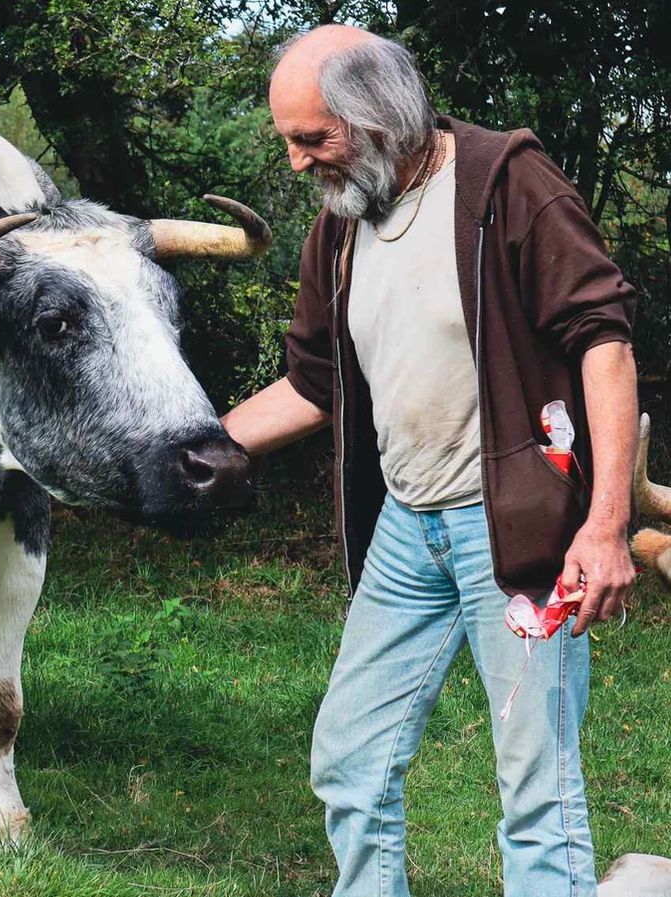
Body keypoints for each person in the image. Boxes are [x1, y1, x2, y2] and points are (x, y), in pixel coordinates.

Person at [223, 25, 638, 897]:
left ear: (377, 118)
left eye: (312, 139)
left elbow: (602, 340)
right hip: (407, 534)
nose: (298, 165)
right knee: (349, 757)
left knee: (538, 787)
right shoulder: (340, 231)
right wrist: (189, 445)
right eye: (289, 142)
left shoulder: (504, 182)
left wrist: (604, 528)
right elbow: (311, 385)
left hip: (519, 535)